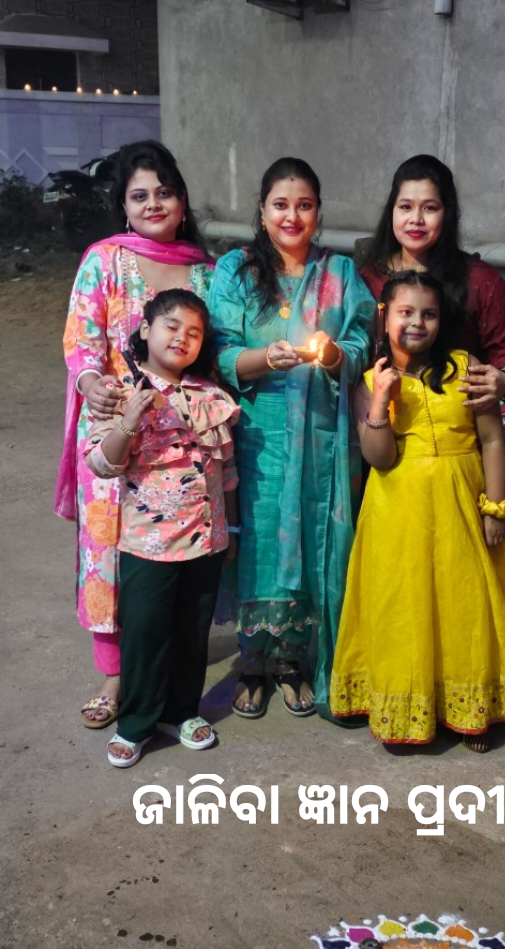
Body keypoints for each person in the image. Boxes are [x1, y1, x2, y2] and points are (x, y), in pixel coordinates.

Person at [330, 271, 505, 751]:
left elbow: (492, 441)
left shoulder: (466, 368)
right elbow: (380, 458)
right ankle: (408, 708)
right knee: (405, 609)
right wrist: (381, 402)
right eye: (405, 312)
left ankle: (472, 711)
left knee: (466, 605)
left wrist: (495, 509)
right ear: (385, 316)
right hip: (397, 515)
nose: (417, 323)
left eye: (429, 314)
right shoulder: (369, 381)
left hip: (462, 505)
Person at [54, 140, 214, 730]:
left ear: (182, 200)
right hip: (114, 428)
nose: (153, 204)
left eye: (164, 192)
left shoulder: (206, 271)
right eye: (139, 195)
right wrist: (91, 382)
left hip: (179, 442)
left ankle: (165, 673)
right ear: (123, 205)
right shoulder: (104, 260)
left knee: (172, 553)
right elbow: (81, 337)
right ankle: (114, 677)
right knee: (107, 552)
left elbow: (214, 349)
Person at [207, 157, 375, 721]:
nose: (292, 216)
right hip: (256, 433)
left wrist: (333, 355)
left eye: (304, 205)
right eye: (281, 204)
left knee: (310, 539)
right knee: (258, 543)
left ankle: (291, 661)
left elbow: (361, 340)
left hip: (321, 435)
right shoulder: (236, 270)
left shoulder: (340, 273)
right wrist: (263, 358)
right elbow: (218, 349)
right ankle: (253, 663)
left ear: (318, 212)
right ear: (262, 210)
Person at [84, 289, 239, 767]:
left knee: (192, 633)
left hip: (206, 539)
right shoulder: (119, 393)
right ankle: (135, 725)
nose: (182, 338)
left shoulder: (211, 395)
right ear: (146, 329)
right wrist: (131, 420)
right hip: (147, 546)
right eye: (172, 326)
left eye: (194, 332)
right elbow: (102, 463)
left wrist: (231, 530)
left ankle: (181, 712)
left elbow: (226, 472)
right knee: (146, 635)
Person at [361, 154, 505, 411]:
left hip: (457, 418)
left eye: (429, 208)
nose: (416, 219)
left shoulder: (480, 280)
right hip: (381, 417)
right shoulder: (366, 278)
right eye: (405, 207)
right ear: (391, 211)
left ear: (447, 213)